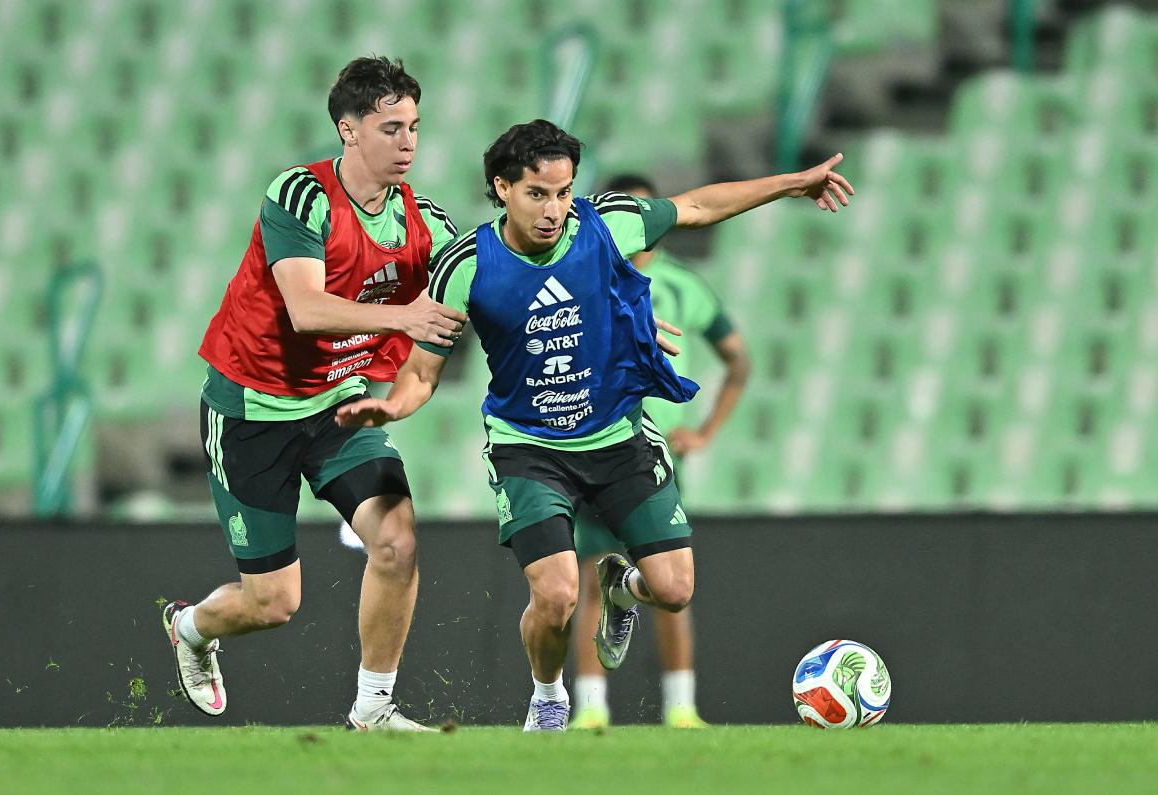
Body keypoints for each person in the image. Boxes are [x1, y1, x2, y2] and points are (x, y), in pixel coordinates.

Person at [335, 119, 853, 731]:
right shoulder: (466, 264)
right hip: (529, 448)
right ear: (502, 188)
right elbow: (422, 372)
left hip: (619, 436)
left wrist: (791, 183)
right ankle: (549, 698)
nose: (554, 210)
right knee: (556, 595)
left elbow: (697, 206)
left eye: (563, 192)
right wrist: (394, 407)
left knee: (674, 589)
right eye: (537, 194)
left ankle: (621, 588)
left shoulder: (605, 222)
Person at [161, 56, 467, 732]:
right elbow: (306, 308)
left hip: (339, 409)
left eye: (415, 127)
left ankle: (373, 709)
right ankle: (190, 627)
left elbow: (480, 289)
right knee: (273, 603)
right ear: (348, 130)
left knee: (398, 542)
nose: (409, 143)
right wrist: (404, 317)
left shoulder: (427, 225)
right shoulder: (301, 194)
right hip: (251, 411)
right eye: (391, 128)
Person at [568, 173, 750, 730]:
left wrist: (705, 432)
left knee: (670, 580)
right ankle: (590, 710)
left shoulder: (682, 286)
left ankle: (681, 708)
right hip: (595, 444)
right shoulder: (582, 278)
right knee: (591, 575)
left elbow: (738, 361)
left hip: (657, 455)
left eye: (647, 214)